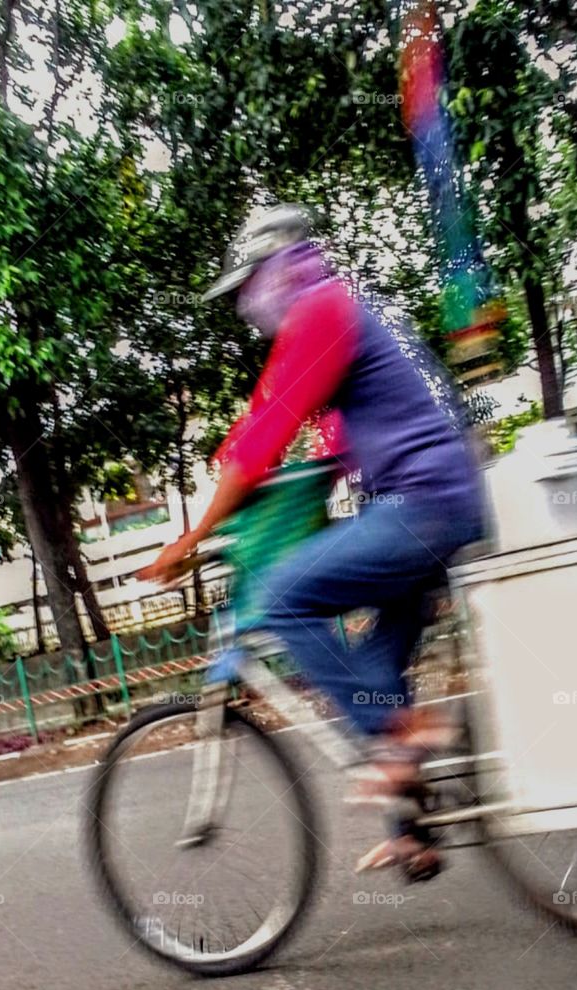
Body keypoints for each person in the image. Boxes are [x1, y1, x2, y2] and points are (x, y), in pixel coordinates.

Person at [142, 204, 485, 875]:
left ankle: (400, 740)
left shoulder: (322, 311)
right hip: (441, 500)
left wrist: (192, 537)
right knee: (377, 668)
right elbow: (323, 446)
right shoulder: (354, 309)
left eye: (248, 287)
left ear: (280, 268)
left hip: (424, 505)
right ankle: (413, 832)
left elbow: (262, 438)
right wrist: (255, 502)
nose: (248, 305)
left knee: (282, 597)